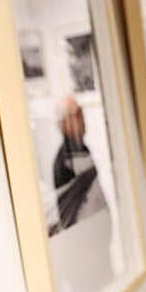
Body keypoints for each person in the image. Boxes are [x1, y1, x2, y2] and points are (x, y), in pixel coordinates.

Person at [50, 95, 108, 234]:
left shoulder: (82, 150)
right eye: (77, 114)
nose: (83, 118)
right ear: (65, 124)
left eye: (81, 112)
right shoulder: (66, 161)